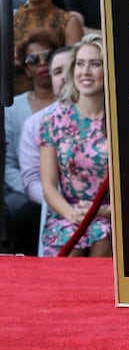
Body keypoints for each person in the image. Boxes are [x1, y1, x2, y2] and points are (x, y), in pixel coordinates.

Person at [40, 34, 111, 257]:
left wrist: (104, 211)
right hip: (67, 214)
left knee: (102, 233)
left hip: (112, 215)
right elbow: (49, 185)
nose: (85, 72)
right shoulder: (54, 120)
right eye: (80, 64)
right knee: (72, 238)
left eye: (95, 64)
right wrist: (72, 215)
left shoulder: (122, 123)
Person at [3, 30, 60, 253]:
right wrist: (38, 192)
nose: (42, 64)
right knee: (23, 213)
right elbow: (8, 165)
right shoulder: (13, 107)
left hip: (67, 191)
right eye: (34, 59)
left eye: (48, 56)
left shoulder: (72, 107)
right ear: (26, 68)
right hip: (23, 190)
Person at [19, 45, 72, 255]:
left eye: (69, 68)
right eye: (57, 72)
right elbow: (31, 180)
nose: (64, 77)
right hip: (56, 208)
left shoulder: (109, 118)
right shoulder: (37, 123)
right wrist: (62, 203)